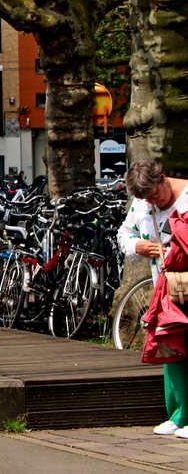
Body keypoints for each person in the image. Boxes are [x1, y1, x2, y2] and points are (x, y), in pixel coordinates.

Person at [119, 159, 188, 438]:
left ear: (164, 178)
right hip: (166, 288)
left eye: (154, 194)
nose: (153, 201)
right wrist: (138, 245)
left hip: (185, 282)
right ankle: (178, 413)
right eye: (145, 198)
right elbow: (124, 233)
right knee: (171, 345)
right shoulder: (143, 204)